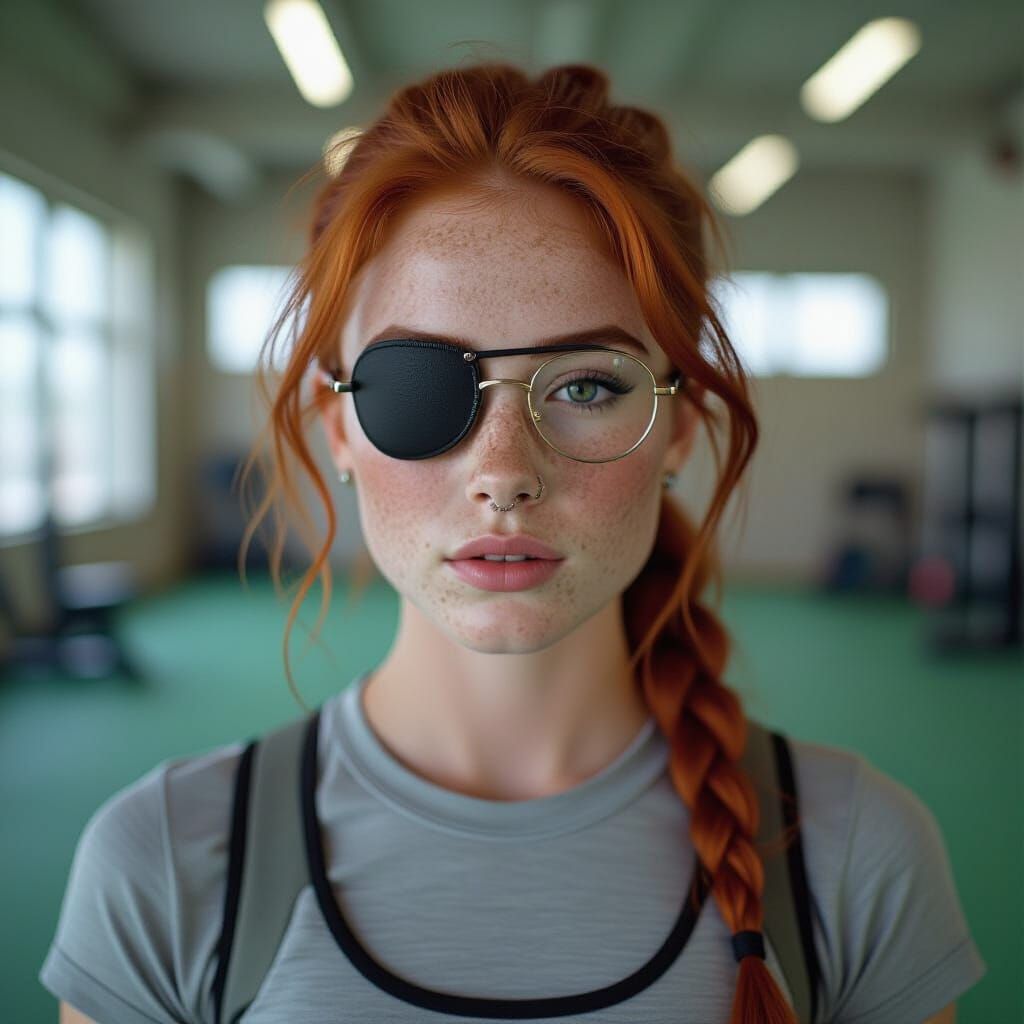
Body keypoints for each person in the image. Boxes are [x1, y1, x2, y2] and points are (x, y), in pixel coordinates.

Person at [40, 62, 986, 1024]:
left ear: (680, 429)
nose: (504, 471)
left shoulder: (854, 854)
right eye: (416, 387)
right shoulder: (164, 864)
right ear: (339, 429)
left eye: (586, 385)